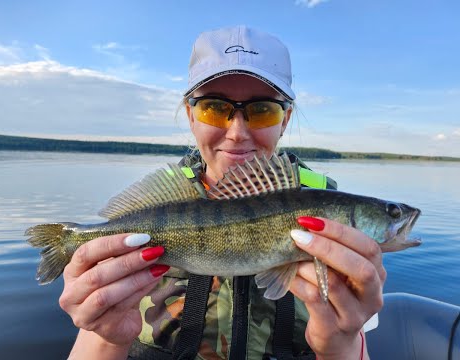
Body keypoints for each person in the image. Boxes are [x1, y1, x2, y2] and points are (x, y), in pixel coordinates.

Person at [61, 26, 384, 360]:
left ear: (284, 119)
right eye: (214, 108)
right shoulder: (162, 207)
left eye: (262, 110)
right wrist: (107, 338)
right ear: (191, 115)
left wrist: (339, 344)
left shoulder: (336, 231)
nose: (237, 132)